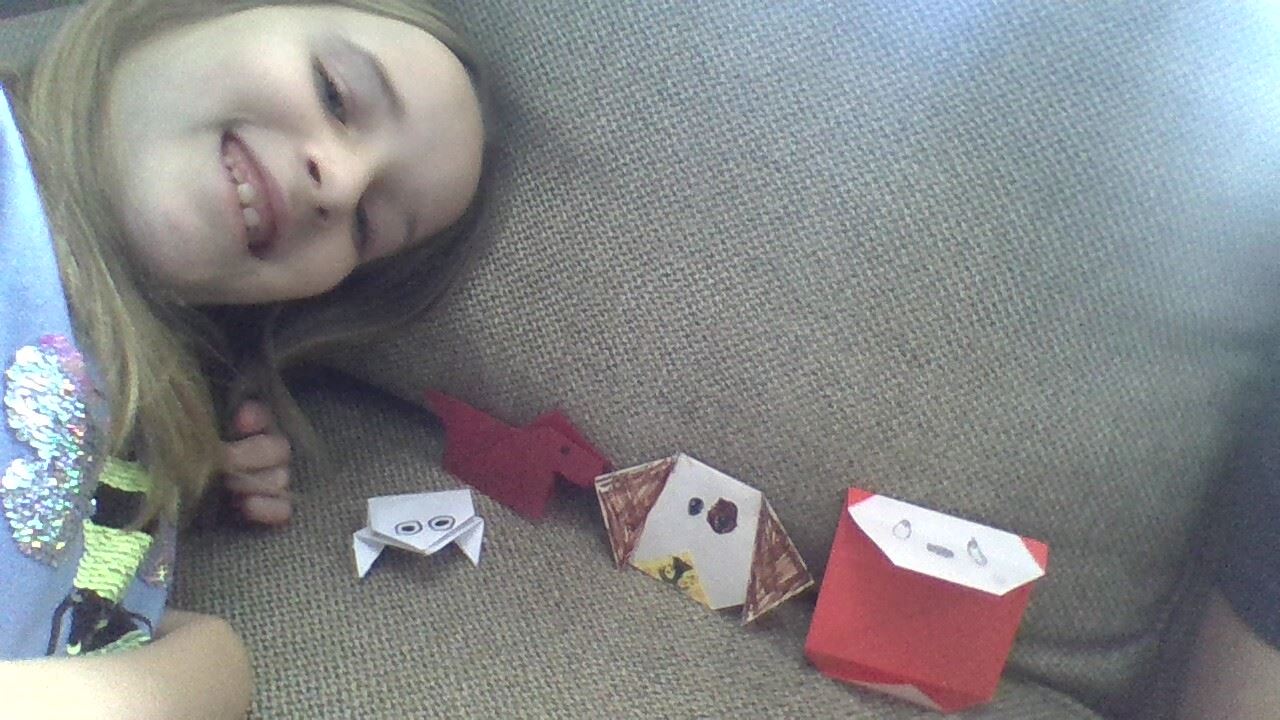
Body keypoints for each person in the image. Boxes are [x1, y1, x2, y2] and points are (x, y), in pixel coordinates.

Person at [0, 0, 489, 717]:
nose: (341, 183)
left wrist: (187, 465)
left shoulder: (149, 418)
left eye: (366, 226)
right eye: (335, 92)